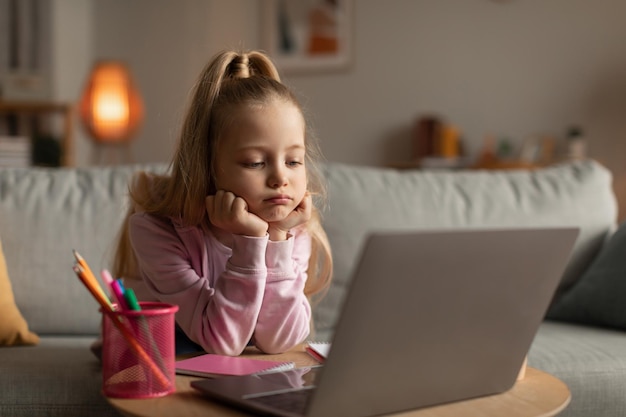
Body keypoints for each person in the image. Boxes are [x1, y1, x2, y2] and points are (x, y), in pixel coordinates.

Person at [111, 50, 333, 356]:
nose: (280, 177)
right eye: (255, 163)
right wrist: (252, 240)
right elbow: (222, 342)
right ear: (208, 165)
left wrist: (278, 238)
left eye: (294, 161)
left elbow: (279, 341)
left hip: (236, 367)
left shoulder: (292, 227)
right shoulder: (156, 229)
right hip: (160, 358)